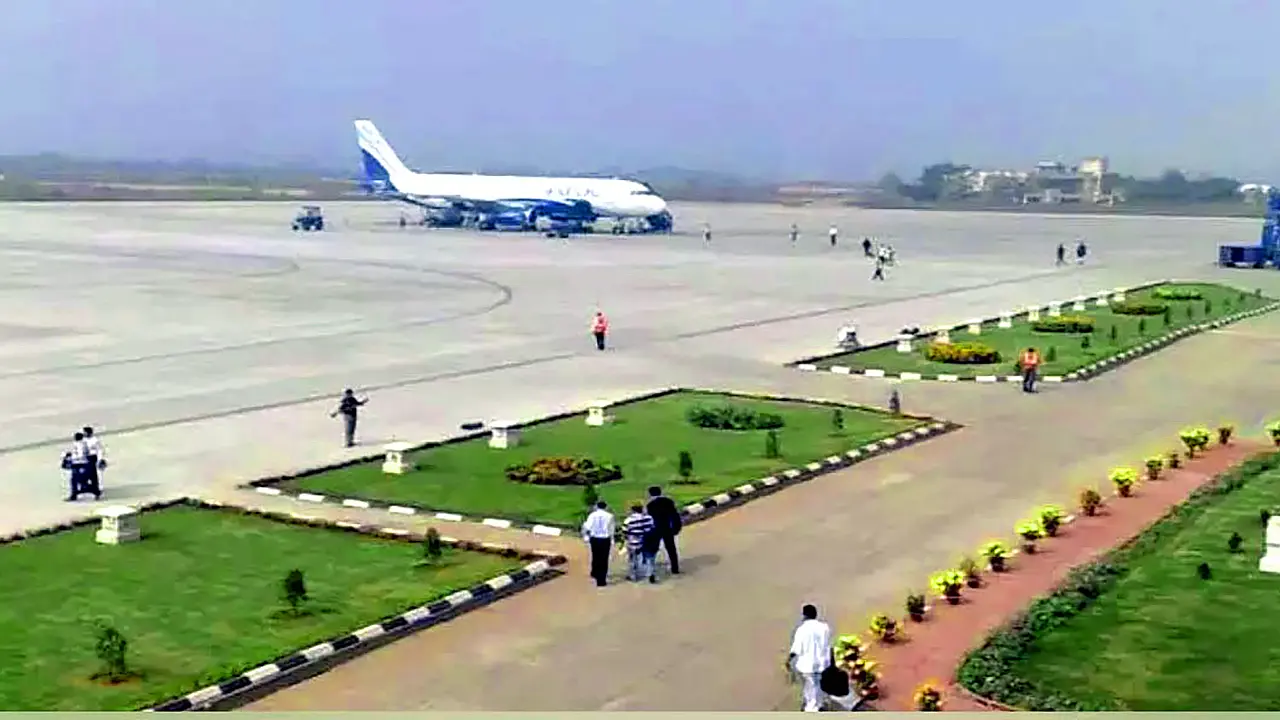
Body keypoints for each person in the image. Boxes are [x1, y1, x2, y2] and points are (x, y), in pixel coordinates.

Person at [787, 604, 834, 712]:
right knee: (817, 686)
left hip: (807, 665)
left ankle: (812, 708)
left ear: (804, 615)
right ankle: (818, 704)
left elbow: (796, 648)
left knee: (810, 687)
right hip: (823, 664)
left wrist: (788, 660)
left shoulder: (802, 629)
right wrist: (832, 663)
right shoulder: (825, 627)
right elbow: (829, 646)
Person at [645, 485, 682, 575]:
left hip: (656, 529)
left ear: (650, 494)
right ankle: (675, 567)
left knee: (653, 548)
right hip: (667, 527)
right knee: (671, 548)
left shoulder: (650, 505)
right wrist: (677, 527)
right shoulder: (668, 501)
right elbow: (674, 515)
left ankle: (651, 569)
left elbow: (649, 518)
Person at [581, 501, 616, 587]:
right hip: (605, 539)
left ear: (597, 506)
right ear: (606, 507)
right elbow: (612, 529)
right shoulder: (610, 516)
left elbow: (587, 526)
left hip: (595, 538)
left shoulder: (592, 515)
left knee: (595, 555)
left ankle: (595, 572)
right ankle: (601, 579)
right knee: (604, 558)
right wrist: (612, 539)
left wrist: (585, 535)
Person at [622, 502, 657, 583]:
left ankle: (633, 576)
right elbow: (652, 528)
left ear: (632, 510)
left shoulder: (629, 520)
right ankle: (650, 573)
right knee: (649, 558)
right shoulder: (649, 518)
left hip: (634, 542)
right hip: (647, 541)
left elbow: (625, 532)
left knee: (633, 559)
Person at [62, 432, 91, 501]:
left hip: (79, 463)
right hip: (81, 463)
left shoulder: (80, 445)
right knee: (78, 479)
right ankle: (84, 489)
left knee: (74, 480)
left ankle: (74, 495)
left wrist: (71, 458)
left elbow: (80, 455)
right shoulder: (82, 444)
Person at [82, 426, 106, 499]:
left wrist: (100, 460)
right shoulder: (83, 440)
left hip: (92, 458)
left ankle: (96, 491)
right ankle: (90, 488)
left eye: (85, 432)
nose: (84, 434)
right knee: (84, 475)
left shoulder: (95, 440)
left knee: (92, 475)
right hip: (85, 458)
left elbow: (100, 450)